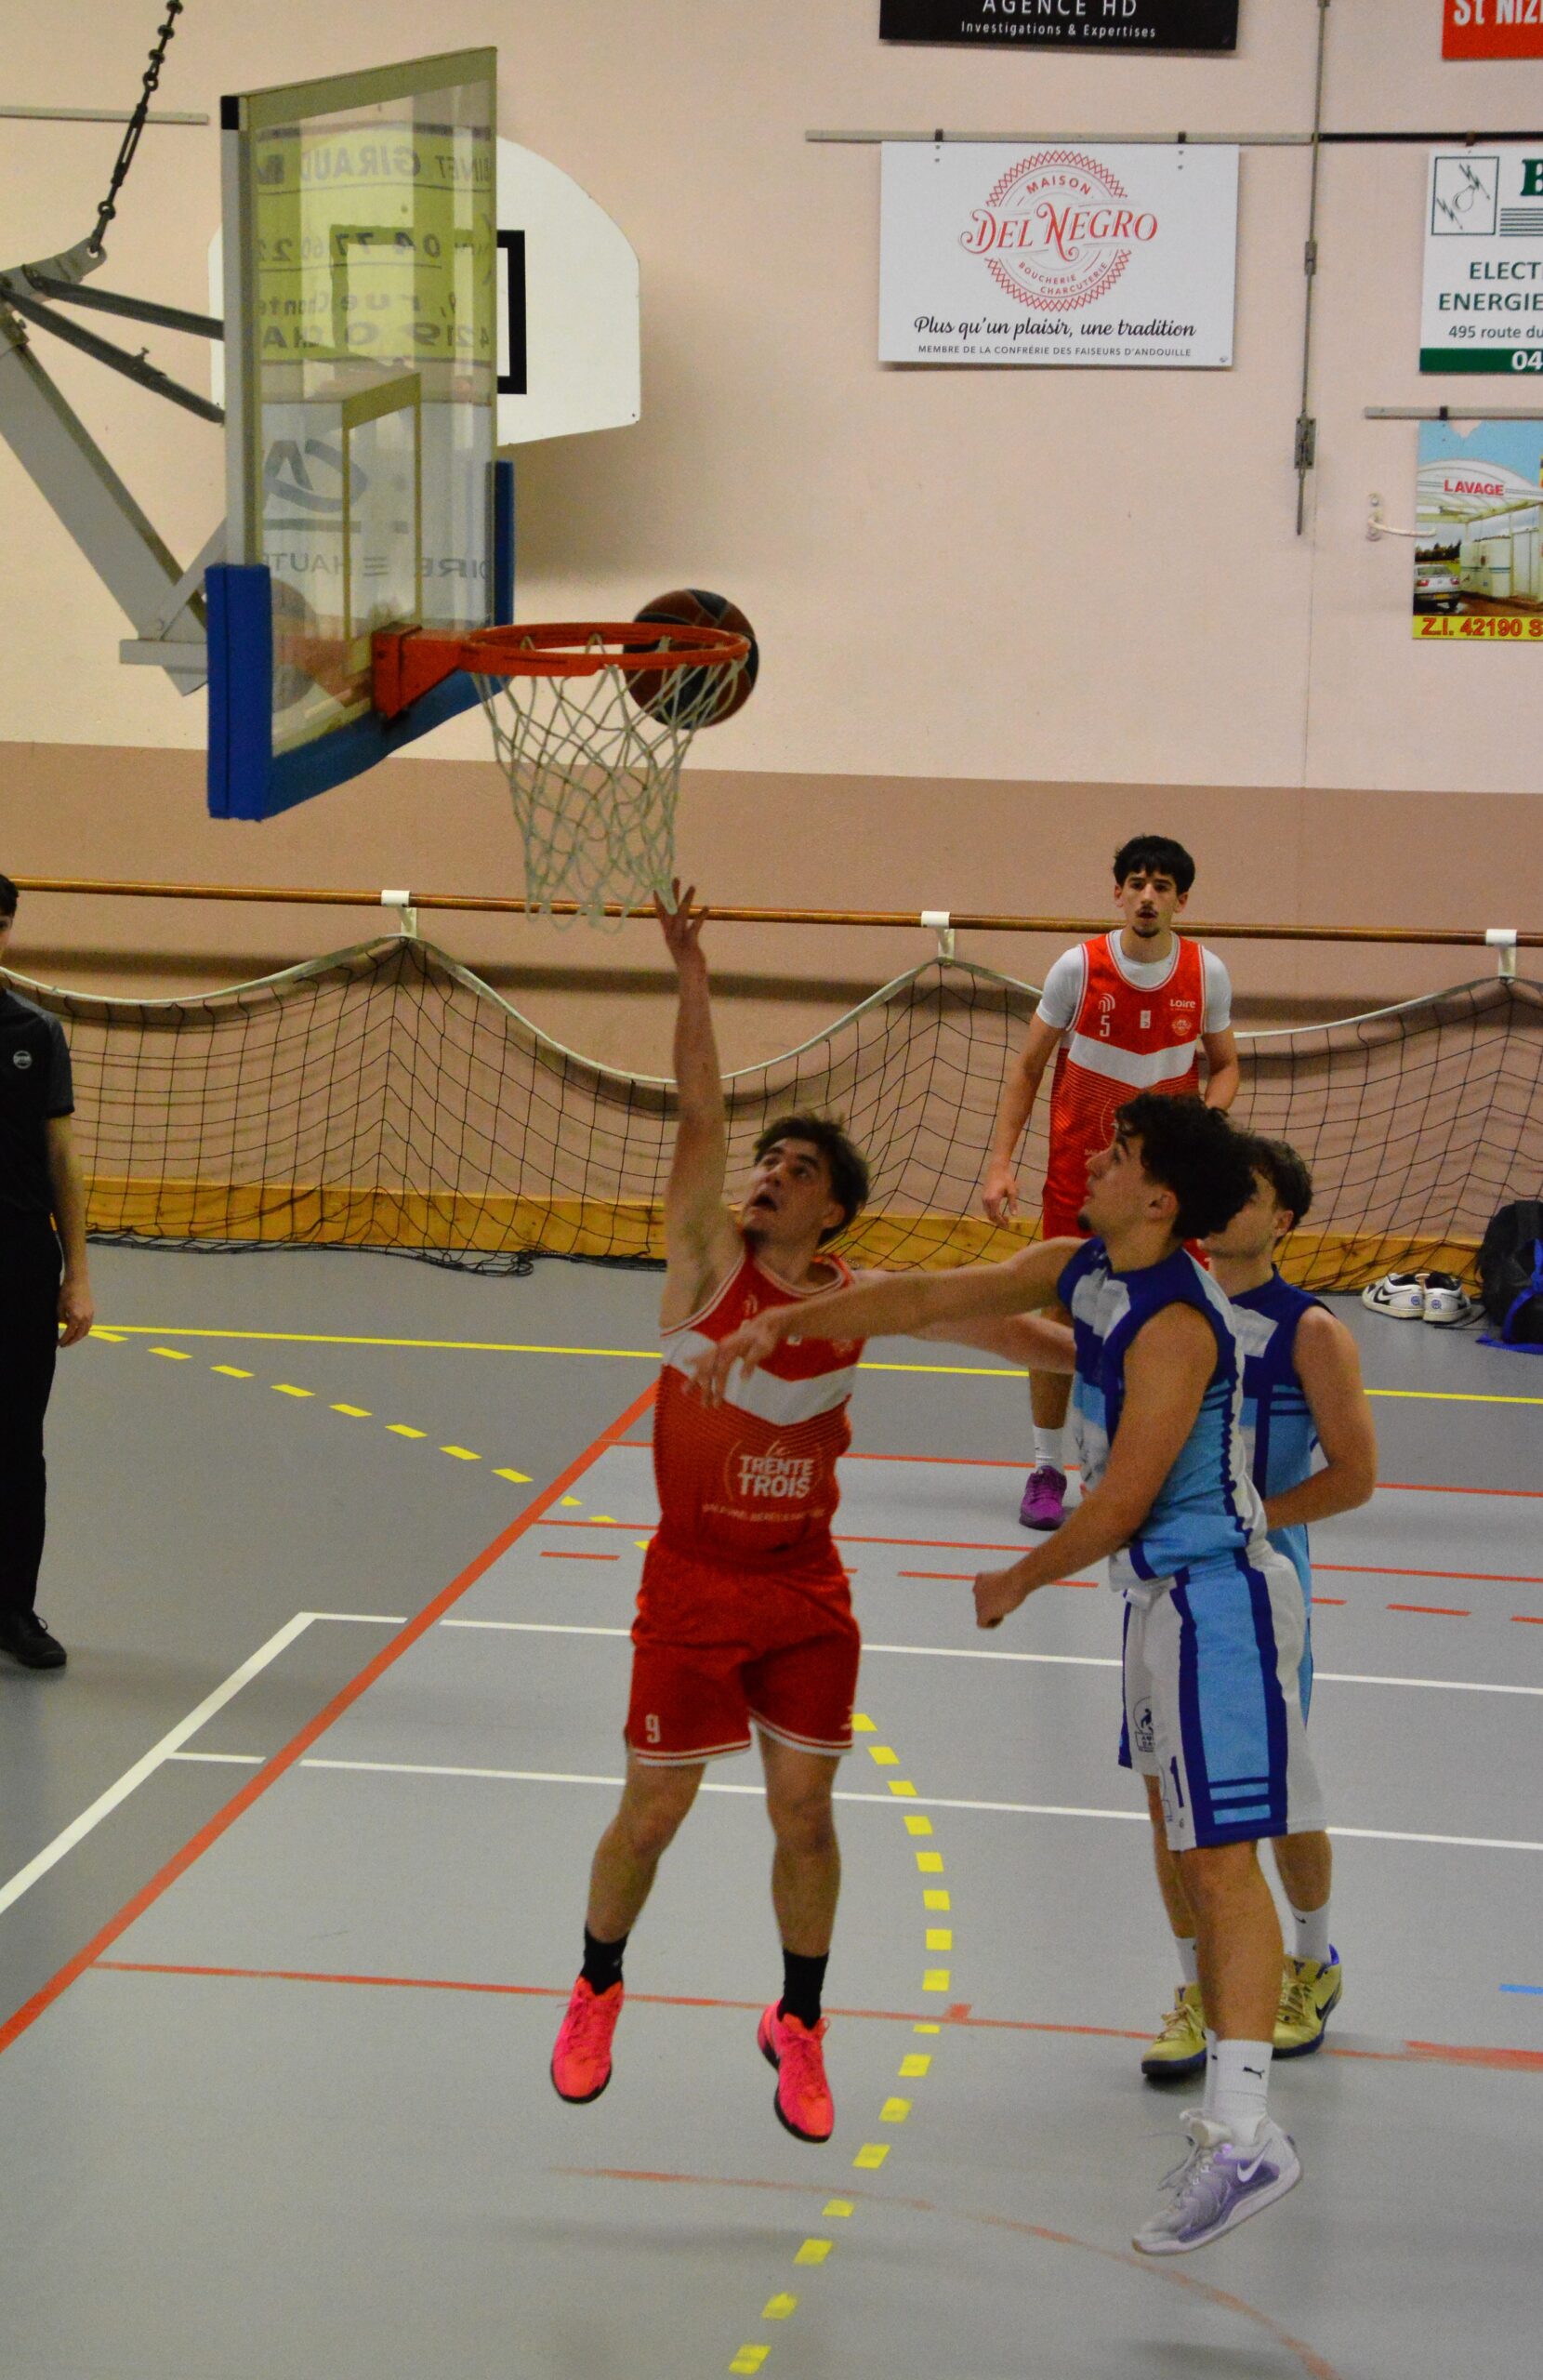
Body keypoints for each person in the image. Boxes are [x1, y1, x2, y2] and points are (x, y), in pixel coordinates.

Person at [701, 1095, 1320, 2255]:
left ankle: (1246, 2135)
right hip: (1158, 1604)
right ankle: (1233, 2117)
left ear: (1159, 1199)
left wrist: (1018, 1576)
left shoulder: (1178, 1324)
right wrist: (786, 1322)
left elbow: (1123, 1499)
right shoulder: (1082, 1265)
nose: (1091, 1158)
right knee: (1192, 1851)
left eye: (1117, 1155)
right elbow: (925, 1297)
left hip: (1219, 1602)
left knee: (1223, 1862)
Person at [548, 884, 1066, 2144]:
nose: (770, 1177)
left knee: (805, 1815)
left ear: (834, 1209)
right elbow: (702, 1114)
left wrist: (1138, 1355)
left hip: (802, 1586)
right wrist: (691, 976)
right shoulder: (703, 1268)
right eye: (767, 1163)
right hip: (691, 1582)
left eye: (799, 1170)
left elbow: (1014, 1329)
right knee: (653, 1813)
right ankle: (597, 1985)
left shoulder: (856, 1299)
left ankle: (800, 2022)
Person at [1141, 1136, 1375, 2082]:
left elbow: (1354, 1475)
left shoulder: (1309, 1331)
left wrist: (1249, 1519)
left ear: (1282, 1219)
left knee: (1271, 1794)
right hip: (1161, 1586)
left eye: (1248, 1192)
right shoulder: (1167, 1311)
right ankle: (1198, 1989)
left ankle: (1310, 1964)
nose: (1225, 1202)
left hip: (1257, 1587)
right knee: (1167, 1799)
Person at [982, 834, 1239, 1535]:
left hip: (1163, 1190)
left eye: (1162, 886)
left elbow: (1225, 1066)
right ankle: (1046, 1468)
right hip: (1081, 1176)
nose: (1148, 896)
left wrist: (1204, 1127)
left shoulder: (1206, 973)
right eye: (1137, 883)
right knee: (1061, 1314)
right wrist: (1001, 1162)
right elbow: (1028, 1067)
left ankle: (1161, 1467)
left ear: (1182, 900)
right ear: (1118, 892)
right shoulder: (1078, 968)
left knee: (1177, 1319)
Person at [0, 873, 94, 1670]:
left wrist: (79, 1274)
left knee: (17, 1443)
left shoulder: (37, 1033)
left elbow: (62, 1158)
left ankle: (14, 1613)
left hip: (20, 1257)